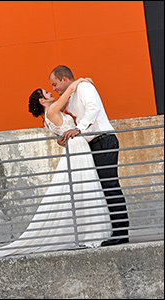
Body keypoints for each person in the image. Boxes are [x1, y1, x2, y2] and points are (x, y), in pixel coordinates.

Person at [0, 78, 112, 263]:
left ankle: (86, 229)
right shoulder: (53, 109)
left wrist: (62, 138)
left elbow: (62, 131)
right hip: (77, 147)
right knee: (85, 186)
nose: (51, 92)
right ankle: (89, 231)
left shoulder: (47, 119)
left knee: (81, 187)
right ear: (42, 101)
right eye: (47, 93)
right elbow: (70, 88)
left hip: (75, 147)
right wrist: (81, 80)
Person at [49, 65, 129, 246]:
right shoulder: (70, 98)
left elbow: (93, 109)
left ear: (64, 79)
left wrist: (78, 129)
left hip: (104, 140)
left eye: (54, 84)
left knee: (110, 186)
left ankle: (121, 233)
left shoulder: (85, 88)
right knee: (101, 188)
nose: (54, 89)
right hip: (92, 144)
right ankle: (110, 230)